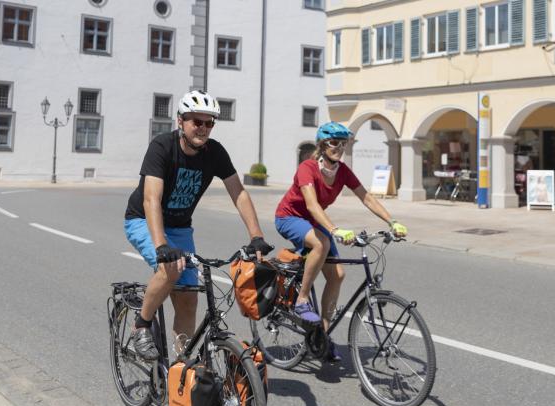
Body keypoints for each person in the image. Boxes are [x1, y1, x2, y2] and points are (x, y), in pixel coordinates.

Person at [124, 90, 273, 361]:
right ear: (181, 121)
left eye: (209, 123)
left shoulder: (214, 153)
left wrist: (256, 236)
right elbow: (151, 199)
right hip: (143, 221)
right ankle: (141, 325)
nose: (203, 128)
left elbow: (238, 192)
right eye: (197, 121)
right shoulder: (162, 147)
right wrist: (161, 245)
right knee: (170, 270)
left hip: (180, 228)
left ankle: (182, 367)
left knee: (189, 299)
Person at [273, 122, 408, 361]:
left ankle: (321, 337)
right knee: (321, 243)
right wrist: (334, 229)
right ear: (323, 145)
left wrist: (392, 221)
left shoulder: (342, 171)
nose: (339, 147)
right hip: (290, 218)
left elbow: (366, 197)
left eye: (343, 143)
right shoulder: (307, 168)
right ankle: (302, 300)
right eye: (334, 142)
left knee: (337, 275)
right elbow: (312, 205)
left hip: (315, 223)